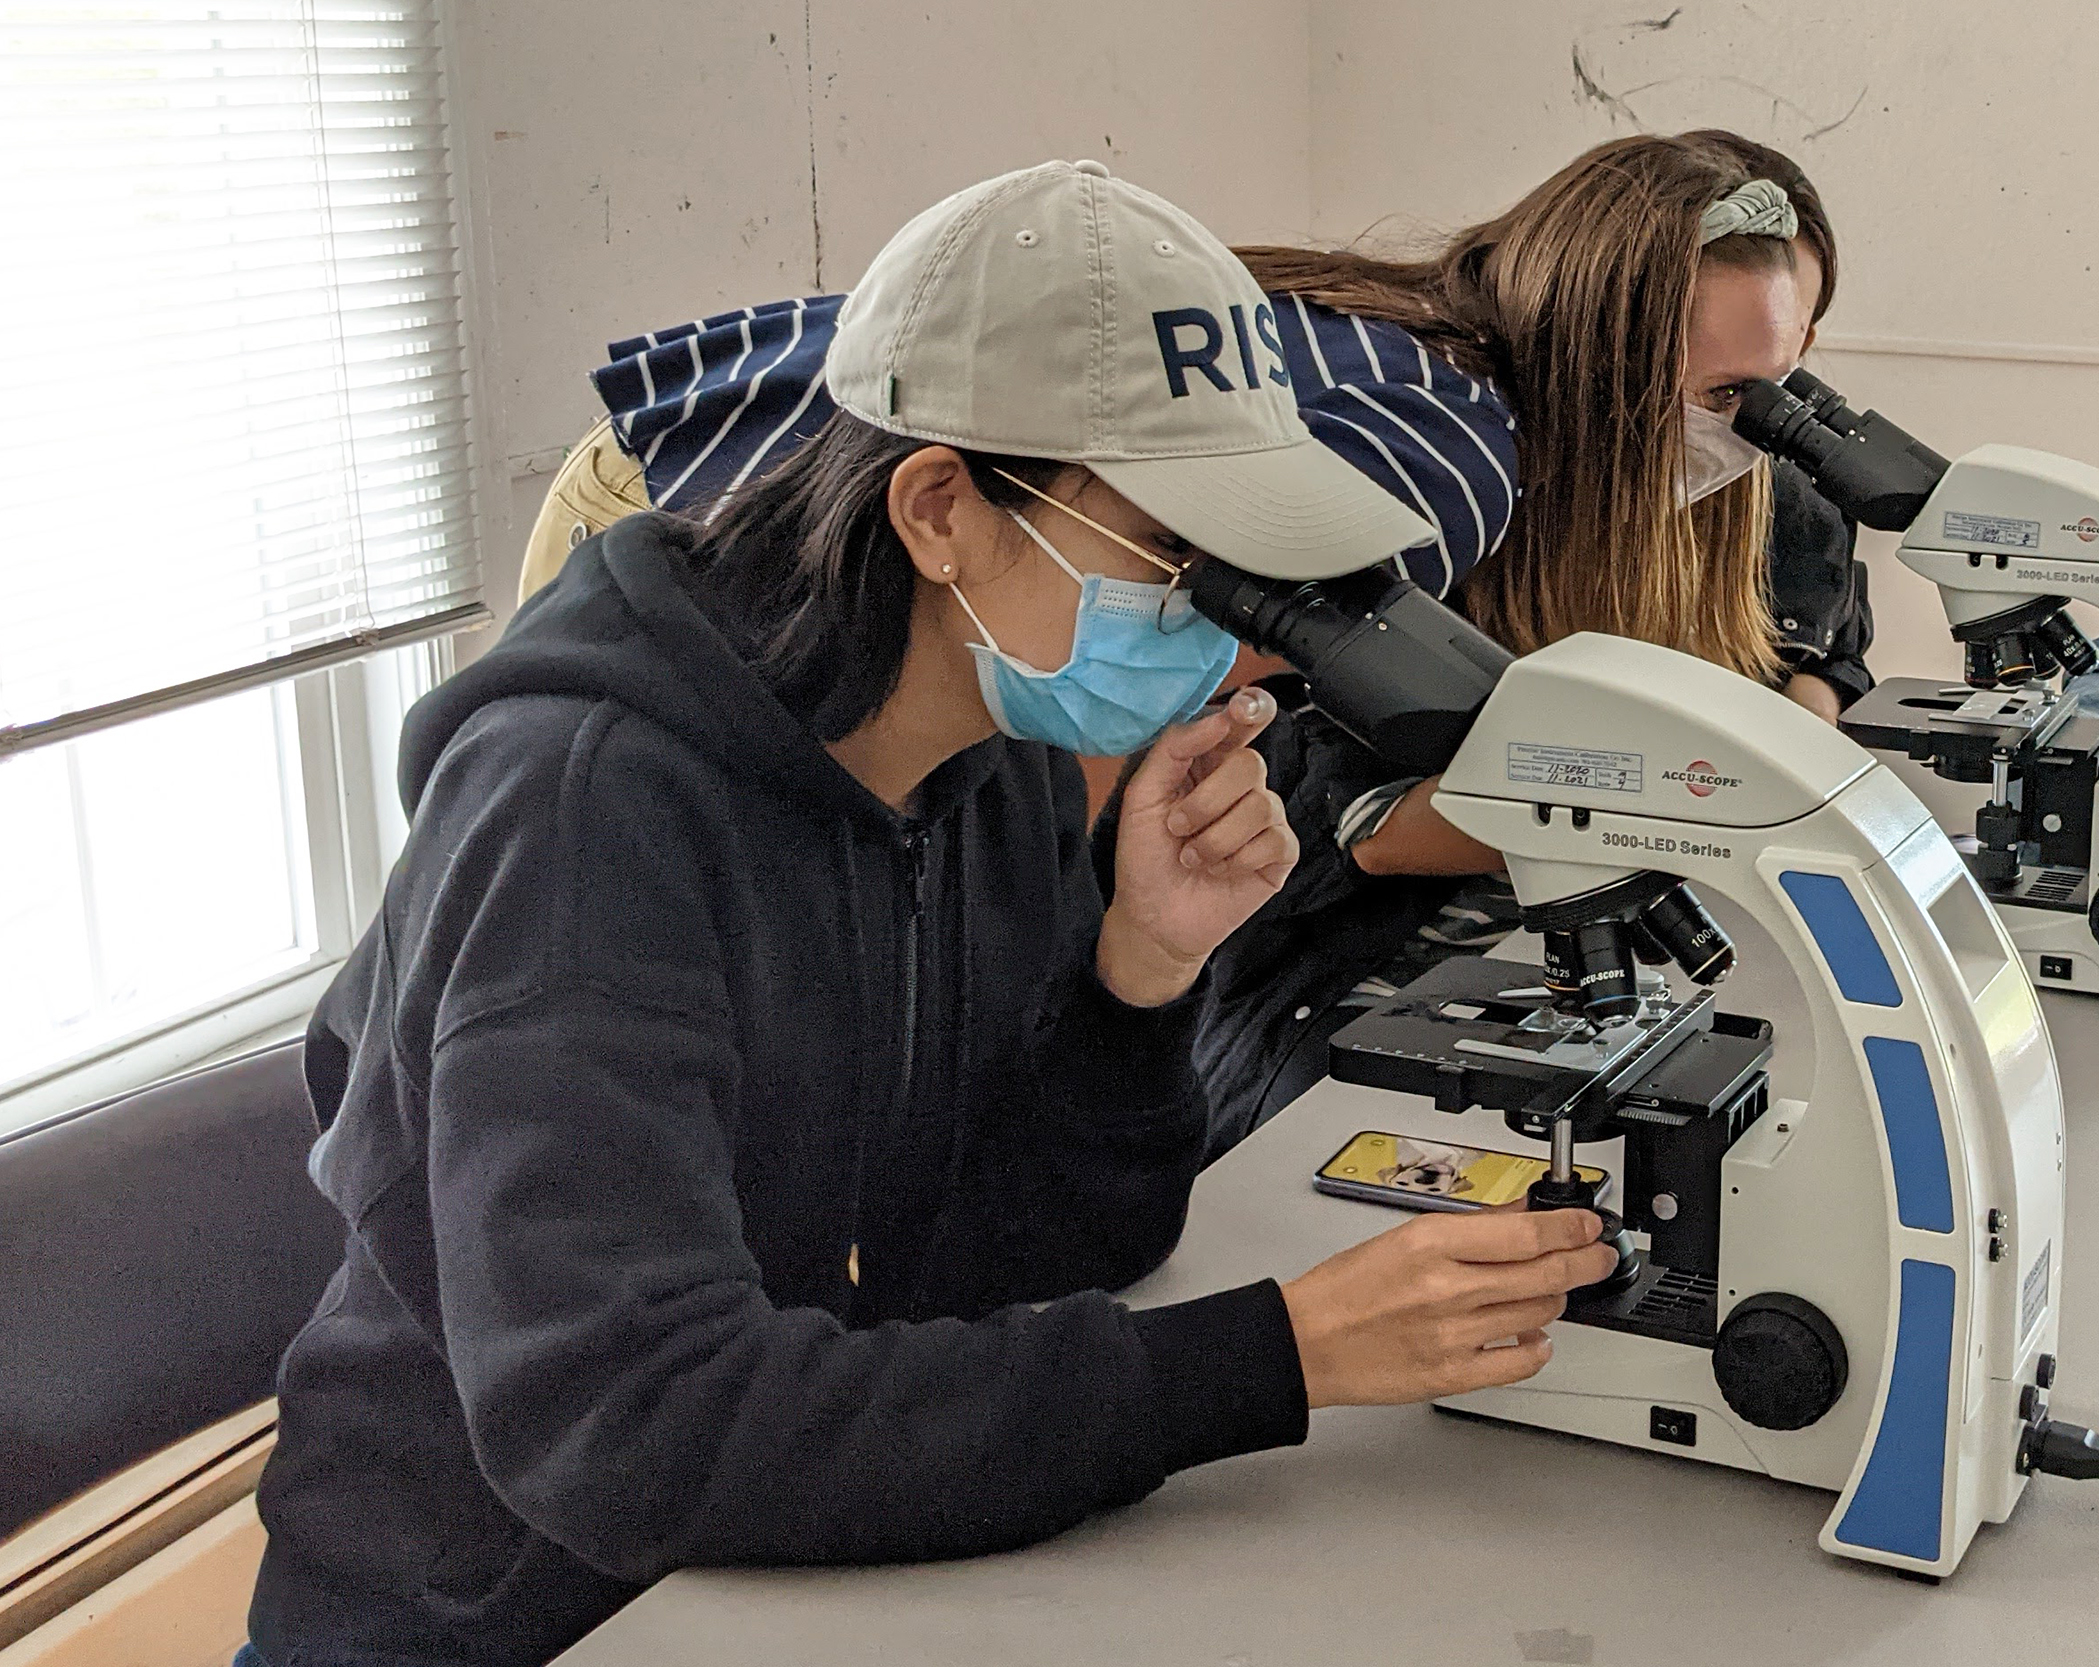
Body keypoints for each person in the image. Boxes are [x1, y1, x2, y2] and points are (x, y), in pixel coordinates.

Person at [242, 161, 1617, 1667]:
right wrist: (1274, 1357)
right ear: (942, 507)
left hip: (799, 1569)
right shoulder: (583, 816)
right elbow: (626, 1424)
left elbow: (1019, 1257)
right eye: (1182, 569)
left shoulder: (995, 765)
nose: (1235, 651)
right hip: (496, 1616)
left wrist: (1141, 969)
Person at [519, 131, 1865, 1158]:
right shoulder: (1449, 455)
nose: (1750, 430)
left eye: (1778, 383)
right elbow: (1122, 720)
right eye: (1724, 394)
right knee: (663, 940)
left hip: (857, 482)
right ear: (1600, 350)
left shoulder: (1462, 360)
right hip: (700, 494)